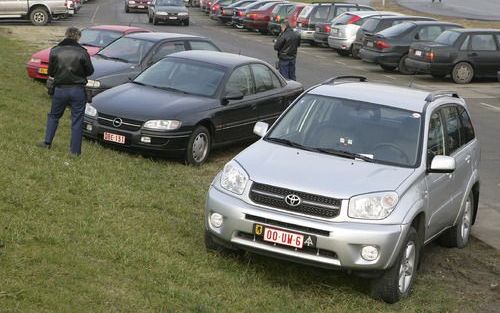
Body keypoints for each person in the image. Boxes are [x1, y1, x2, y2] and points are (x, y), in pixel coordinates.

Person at [38, 27, 94, 156]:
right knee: (77, 120)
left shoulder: (55, 50)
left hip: (60, 89)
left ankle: (47, 142)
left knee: (53, 116)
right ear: (78, 37)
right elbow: (90, 71)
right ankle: (75, 151)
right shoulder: (82, 52)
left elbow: (51, 72)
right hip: (78, 90)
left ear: (66, 35)